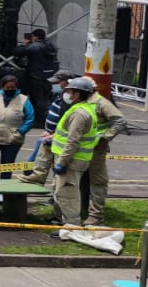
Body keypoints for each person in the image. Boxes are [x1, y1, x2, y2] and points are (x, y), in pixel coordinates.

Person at [47, 76, 101, 229]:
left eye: (71, 92)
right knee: (58, 190)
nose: (68, 95)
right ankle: (59, 220)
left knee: (67, 194)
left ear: (78, 94)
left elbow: (73, 141)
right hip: (70, 158)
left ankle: (72, 226)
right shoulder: (85, 109)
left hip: (71, 160)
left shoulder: (79, 113)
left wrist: (62, 162)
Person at [84, 77, 127, 226]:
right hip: (78, 149)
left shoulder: (101, 103)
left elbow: (120, 121)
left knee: (98, 182)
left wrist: (105, 138)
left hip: (95, 150)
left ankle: (96, 215)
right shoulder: (81, 102)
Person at [11, 29, 58, 128]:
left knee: (37, 98)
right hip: (48, 75)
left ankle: (39, 120)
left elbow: (17, 52)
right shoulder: (51, 46)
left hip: (36, 75)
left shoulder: (34, 47)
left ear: (35, 36)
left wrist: (24, 44)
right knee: (44, 98)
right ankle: (42, 118)